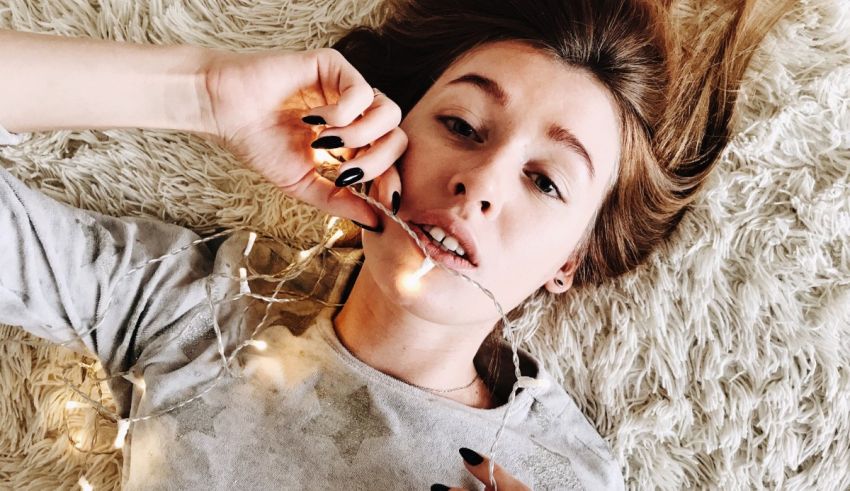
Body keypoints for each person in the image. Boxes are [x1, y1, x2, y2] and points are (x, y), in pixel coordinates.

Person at [0, 0, 790, 489]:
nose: (480, 181)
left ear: (569, 263)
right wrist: (205, 90)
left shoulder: (560, 478)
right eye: (461, 126)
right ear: (390, 129)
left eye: (546, 181)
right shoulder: (196, 304)